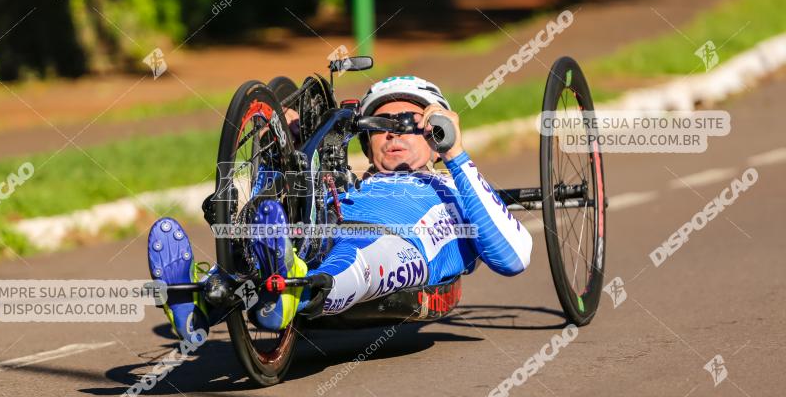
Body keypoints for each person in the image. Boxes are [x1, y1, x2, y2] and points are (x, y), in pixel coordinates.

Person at [147, 76, 532, 343]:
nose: (393, 133)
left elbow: (513, 257)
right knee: (278, 224)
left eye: (411, 123)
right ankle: (194, 305)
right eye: (381, 126)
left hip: (401, 246)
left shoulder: (454, 186)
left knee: (358, 252)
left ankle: (289, 294)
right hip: (326, 229)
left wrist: (456, 154)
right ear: (366, 142)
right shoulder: (350, 182)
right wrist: (281, 149)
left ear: (436, 135)